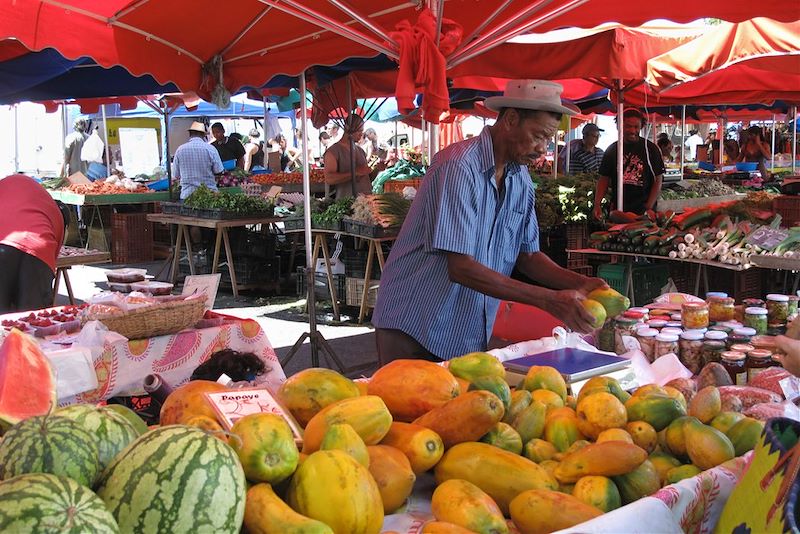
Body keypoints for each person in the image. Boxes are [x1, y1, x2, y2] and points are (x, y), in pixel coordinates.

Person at [371, 80, 608, 364]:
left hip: (463, 328)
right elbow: (461, 268)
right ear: (510, 119)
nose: (542, 148)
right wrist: (548, 300)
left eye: (548, 139)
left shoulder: (520, 179)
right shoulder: (458, 167)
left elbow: (529, 255)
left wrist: (582, 283)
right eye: (538, 136)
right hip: (414, 322)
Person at [0, 174, 69, 313]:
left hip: (4, 243)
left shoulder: (11, 187)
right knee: (32, 320)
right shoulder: (52, 212)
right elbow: (52, 249)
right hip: (38, 250)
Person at [593, 108, 665, 217]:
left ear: (641, 126)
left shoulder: (651, 149)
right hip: (619, 209)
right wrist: (597, 204)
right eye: (628, 126)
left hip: (644, 210)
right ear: (619, 126)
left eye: (636, 127)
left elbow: (658, 179)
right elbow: (604, 178)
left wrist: (649, 207)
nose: (632, 131)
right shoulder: (612, 150)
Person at [323, 115, 373, 199]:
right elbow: (329, 178)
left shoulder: (361, 151)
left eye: (362, 130)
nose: (361, 134)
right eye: (358, 131)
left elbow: (365, 178)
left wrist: (377, 170)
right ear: (347, 129)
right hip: (346, 204)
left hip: (366, 204)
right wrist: (355, 172)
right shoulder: (333, 152)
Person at [172, 122, 224, 200]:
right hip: (209, 194)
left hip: (187, 195)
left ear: (190, 134)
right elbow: (219, 171)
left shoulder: (180, 150)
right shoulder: (210, 149)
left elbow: (175, 175)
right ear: (203, 135)